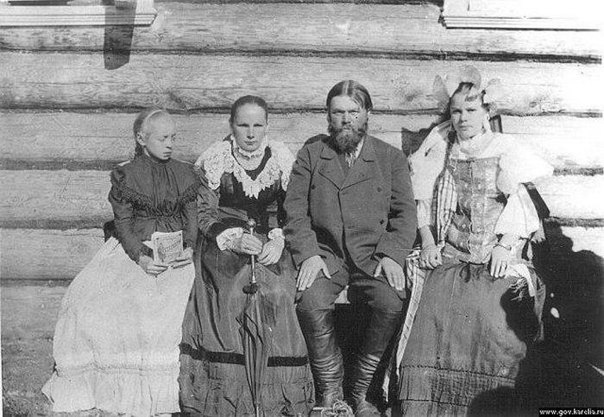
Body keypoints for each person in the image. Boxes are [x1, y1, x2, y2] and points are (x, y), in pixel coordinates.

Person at [394, 67, 553, 416]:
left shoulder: (503, 148)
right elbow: (424, 201)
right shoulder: (441, 146)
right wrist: (429, 242)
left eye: (470, 110)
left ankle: (494, 404)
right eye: (456, 111)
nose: (462, 118)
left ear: (486, 112)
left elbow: (519, 202)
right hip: (453, 251)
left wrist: (504, 245)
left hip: (496, 250)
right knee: (435, 307)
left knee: (493, 313)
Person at [42, 109, 199, 416]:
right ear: (142, 139)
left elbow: (190, 217)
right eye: (162, 138)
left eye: (173, 137)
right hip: (135, 250)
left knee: (163, 309)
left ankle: (159, 392)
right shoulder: (126, 175)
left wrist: (190, 247)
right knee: (88, 298)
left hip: (175, 253)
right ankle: (108, 386)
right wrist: (140, 257)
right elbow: (123, 225)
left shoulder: (184, 172)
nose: (170, 144)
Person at [283, 80, 418, 416]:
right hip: (327, 255)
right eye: (338, 112)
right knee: (310, 301)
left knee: (391, 302)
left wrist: (392, 255)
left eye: (353, 112)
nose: (346, 120)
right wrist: (309, 253)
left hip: (373, 255)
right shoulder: (312, 154)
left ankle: (362, 392)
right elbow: (295, 210)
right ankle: (330, 392)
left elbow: (405, 214)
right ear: (328, 116)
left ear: (367, 114)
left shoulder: (390, 158)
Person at [179, 95, 315, 416]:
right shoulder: (217, 158)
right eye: (243, 125)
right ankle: (230, 397)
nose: (251, 133)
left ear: (267, 125)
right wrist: (234, 239)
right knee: (234, 292)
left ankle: (272, 399)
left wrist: (279, 240)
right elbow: (204, 213)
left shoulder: (279, 157)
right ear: (231, 125)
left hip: (270, 240)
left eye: (257, 125)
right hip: (224, 243)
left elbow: (292, 210)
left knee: (278, 291)